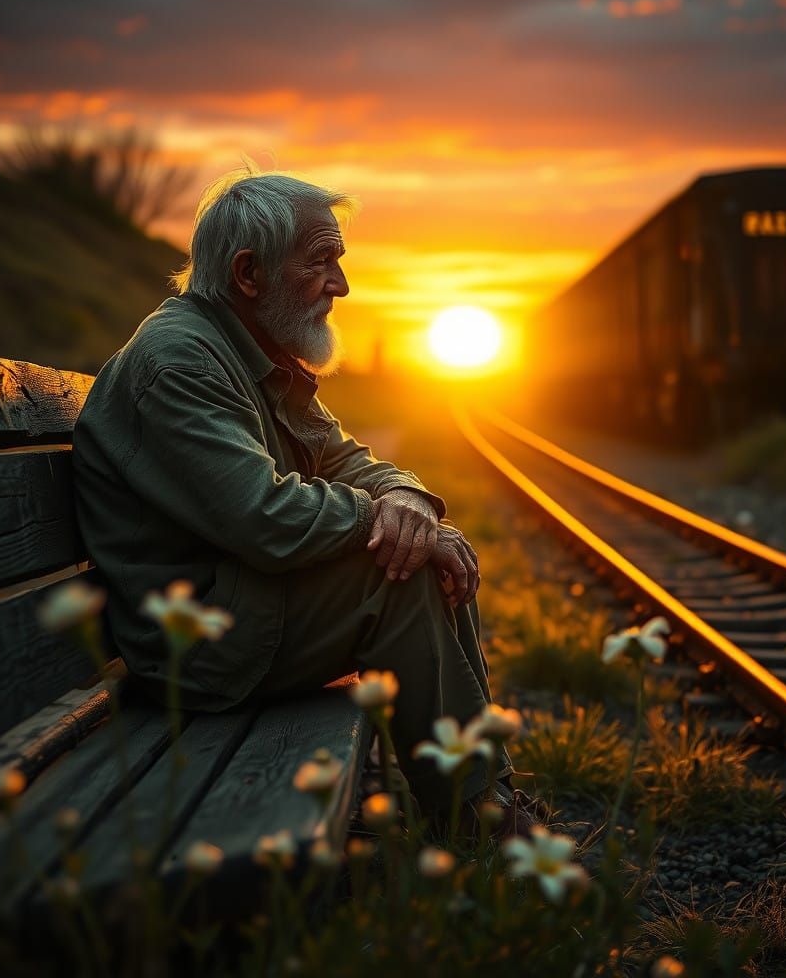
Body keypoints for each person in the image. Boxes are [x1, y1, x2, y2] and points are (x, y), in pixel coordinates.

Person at [72, 166, 533, 830]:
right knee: (398, 577)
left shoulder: (249, 351)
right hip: (195, 645)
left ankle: (485, 798)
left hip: (237, 605)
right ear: (249, 274)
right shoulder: (182, 364)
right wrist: (393, 521)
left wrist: (408, 497)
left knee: (414, 554)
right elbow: (264, 518)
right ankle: (479, 821)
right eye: (321, 264)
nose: (341, 286)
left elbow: (342, 457)